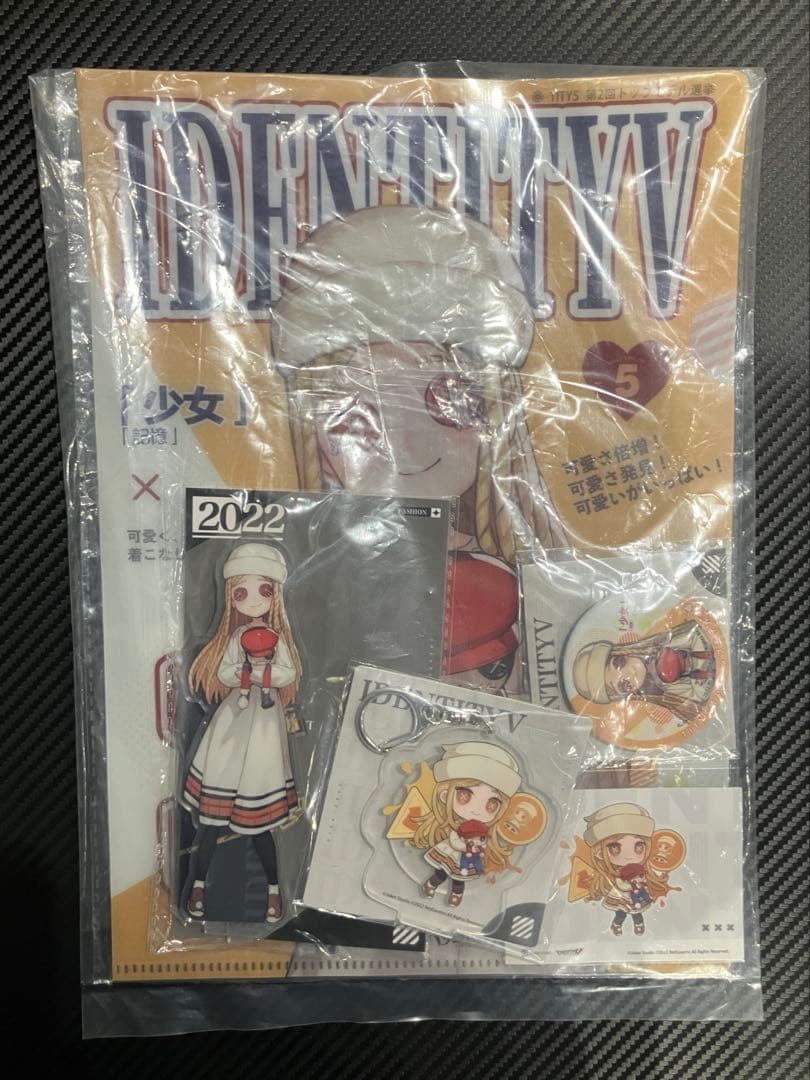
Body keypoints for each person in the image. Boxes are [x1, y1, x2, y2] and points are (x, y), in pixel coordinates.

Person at [270, 204, 567, 564]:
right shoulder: (297, 572)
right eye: (359, 413)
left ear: (496, 413)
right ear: (312, 428)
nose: (406, 442)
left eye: (444, 400)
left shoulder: (505, 576)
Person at [181, 543, 302, 923]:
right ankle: (197, 884)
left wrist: (264, 672)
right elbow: (223, 671)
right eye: (241, 592)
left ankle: (273, 891)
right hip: (232, 724)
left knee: (260, 826)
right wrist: (244, 673)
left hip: (263, 728)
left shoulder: (278, 639)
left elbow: (289, 672)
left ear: (275, 594)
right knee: (211, 823)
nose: (252, 600)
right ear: (230, 595)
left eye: (263, 590)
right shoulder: (236, 638)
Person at [413, 742, 522, 908]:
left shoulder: (483, 830)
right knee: (441, 872)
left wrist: (479, 846)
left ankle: (456, 895)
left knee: (459, 879)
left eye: (491, 804)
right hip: (451, 852)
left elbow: (483, 841)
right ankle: (430, 885)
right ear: (445, 795)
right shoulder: (457, 826)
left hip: (467, 860)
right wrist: (466, 846)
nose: (477, 811)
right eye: (465, 795)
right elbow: (454, 838)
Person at [572, 618, 716, 726]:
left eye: (619, 662)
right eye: (623, 684)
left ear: (622, 651)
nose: (630, 673)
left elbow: (696, 634)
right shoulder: (668, 696)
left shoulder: (663, 641)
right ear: (624, 695)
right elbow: (700, 698)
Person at [581, 803, 669, 936]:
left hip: (637, 896)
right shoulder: (614, 873)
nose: (628, 856)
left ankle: (639, 925)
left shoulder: (640, 870)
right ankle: (616, 925)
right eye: (615, 848)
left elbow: (646, 881)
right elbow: (620, 884)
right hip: (621, 896)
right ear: (600, 853)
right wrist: (630, 884)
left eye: (639, 846)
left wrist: (642, 883)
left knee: (637, 914)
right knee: (620, 913)